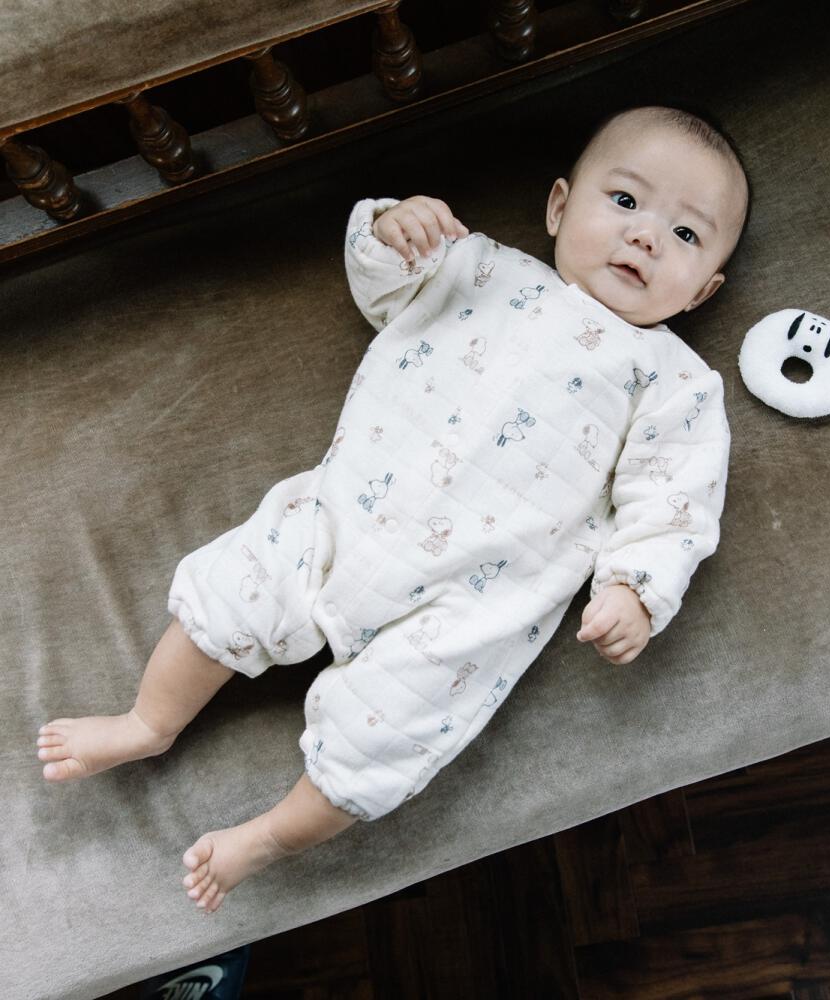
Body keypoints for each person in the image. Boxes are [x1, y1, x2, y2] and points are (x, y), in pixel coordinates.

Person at [37, 105, 750, 913]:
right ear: (558, 207)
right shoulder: (479, 267)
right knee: (236, 588)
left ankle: (266, 836)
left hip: (471, 601)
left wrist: (636, 590)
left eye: (685, 235)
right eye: (624, 201)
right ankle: (147, 722)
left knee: (394, 733)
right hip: (342, 518)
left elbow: (677, 500)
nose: (646, 237)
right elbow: (383, 284)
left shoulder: (673, 381)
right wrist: (391, 231)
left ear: (704, 291)